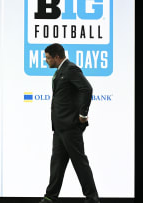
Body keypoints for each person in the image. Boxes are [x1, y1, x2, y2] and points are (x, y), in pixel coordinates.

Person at [39, 43, 100, 203]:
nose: (46, 61)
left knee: (80, 163)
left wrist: (83, 114)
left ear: (56, 57)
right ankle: (50, 197)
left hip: (70, 127)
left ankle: (92, 198)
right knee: (57, 164)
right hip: (59, 128)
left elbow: (87, 89)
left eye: (47, 58)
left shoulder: (71, 69)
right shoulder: (60, 72)